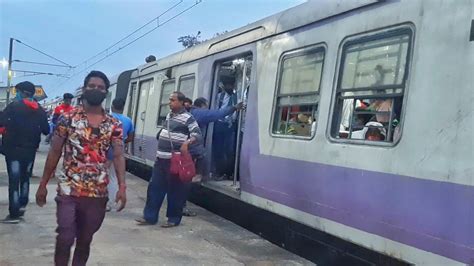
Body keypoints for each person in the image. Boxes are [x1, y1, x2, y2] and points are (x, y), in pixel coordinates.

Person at [35, 71, 127, 266]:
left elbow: (118, 155)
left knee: (85, 240)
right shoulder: (67, 118)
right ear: (84, 89)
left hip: (97, 191)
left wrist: (122, 186)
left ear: (106, 92)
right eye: (92, 86)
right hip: (69, 187)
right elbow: (55, 151)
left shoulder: (114, 124)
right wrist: (43, 184)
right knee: (65, 236)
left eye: (101, 87)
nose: (96, 90)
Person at [136, 91, 201, 227]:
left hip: (174, 161)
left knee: (175, 191)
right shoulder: (169, 116)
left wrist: (186, 143)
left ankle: (173, 219)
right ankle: (149, 217)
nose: (169, 103)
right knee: (154, 188)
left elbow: (197, 135)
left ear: (181, 102)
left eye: (172, 100)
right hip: (161, 159)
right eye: (169, 100)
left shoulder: (188, 118)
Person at [180, 97, 243, 216]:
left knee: (180, 180)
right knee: (186, 180)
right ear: (202, 106)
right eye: (206, 107)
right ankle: (182, 205)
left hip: (181, 151)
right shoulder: (197, 113)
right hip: (188, 152)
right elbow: (216, 114)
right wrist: (234, 108)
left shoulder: (185, 114)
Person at [0, 81, 50, 224]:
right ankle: (22, 206)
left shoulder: (13, 107)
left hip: (13, 150)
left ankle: (14, 214)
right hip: (30, 152)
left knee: (14, 181)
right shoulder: (39, 109)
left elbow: (1, 122)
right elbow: (46, 130)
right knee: (25, 179)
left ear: (21, 92)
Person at [106, 98, 135, 211]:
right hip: (119, 150)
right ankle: (110, 203)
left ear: (112, 106)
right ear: (123, 108)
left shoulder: (107, 118)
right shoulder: (128, 120)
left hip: (106, 150)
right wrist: (122, 142)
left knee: (103, 176)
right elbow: (131, 137)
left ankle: (101, 201)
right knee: (113, 177)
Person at [212, 76, 238, 179]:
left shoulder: (237, 97)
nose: (230, 87)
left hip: (231, 125)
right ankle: (219, 171)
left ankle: (228, 173)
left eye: (231, 85)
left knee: (229, 151)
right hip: (220, 124)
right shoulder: (219, 96)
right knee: (219, 150)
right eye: (227, 85)